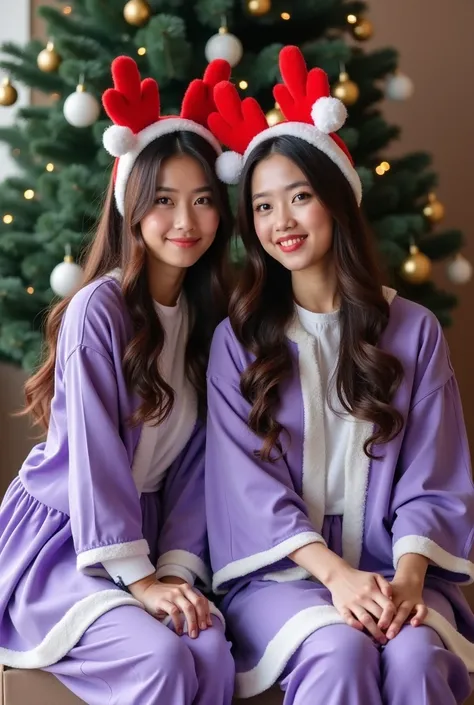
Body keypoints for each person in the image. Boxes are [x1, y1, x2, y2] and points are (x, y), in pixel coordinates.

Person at [205, 45, 474, 704]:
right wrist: (335, 578)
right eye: (263, 207)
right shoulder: (238, 339)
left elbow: (432, 476)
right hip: (283, 579)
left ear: (336, 202)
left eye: (298, 197)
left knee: (414, 659)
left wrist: (407, 580)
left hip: (396, 570)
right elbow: (245, 488)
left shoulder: (411, 329)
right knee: (339, 648)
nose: (281, 222)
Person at [0, 56, 235, 705]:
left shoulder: (208, 320)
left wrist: (177, 567)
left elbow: (197, 467)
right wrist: (140, 581)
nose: (185, 220)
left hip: (154, 538)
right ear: (131, 206)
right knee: (160, 656)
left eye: (203, 199)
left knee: (211, 647)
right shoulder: (96, 311)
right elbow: (94, 456)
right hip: (68, 540)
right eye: (163, 199)